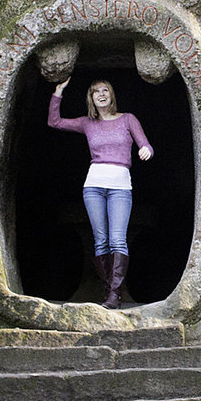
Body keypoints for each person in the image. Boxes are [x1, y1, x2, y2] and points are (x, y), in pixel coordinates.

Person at [48, 77, 154, 308]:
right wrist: (58, 92)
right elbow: (54, 122)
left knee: (118, 240)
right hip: (93, 185)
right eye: (96, 92)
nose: (101, 94)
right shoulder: (87, 123)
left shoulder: (127, 119)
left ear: (111, 95)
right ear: (91, 99)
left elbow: (146, 145)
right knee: (101, 241)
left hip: (120, 186)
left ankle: (115, 294)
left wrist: (146, 149)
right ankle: (108, 291)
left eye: (106, 90)